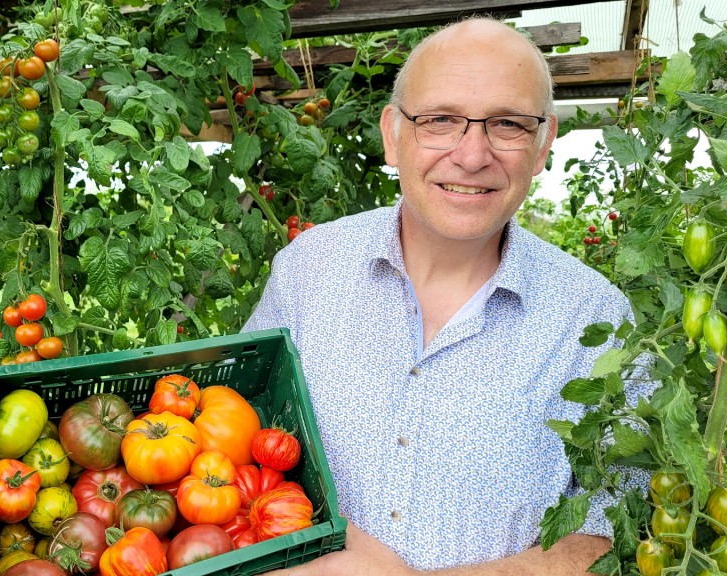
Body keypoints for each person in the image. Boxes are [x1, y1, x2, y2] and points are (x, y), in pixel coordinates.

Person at [243, 17, 638, 576]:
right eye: (439, 120)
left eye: (507, 124)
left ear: (544, 142)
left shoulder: (595, 318)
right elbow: (237, 433)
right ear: (392, 135)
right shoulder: (307, 272)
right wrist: (339, 539)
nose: (472, 155)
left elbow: (624, 519)